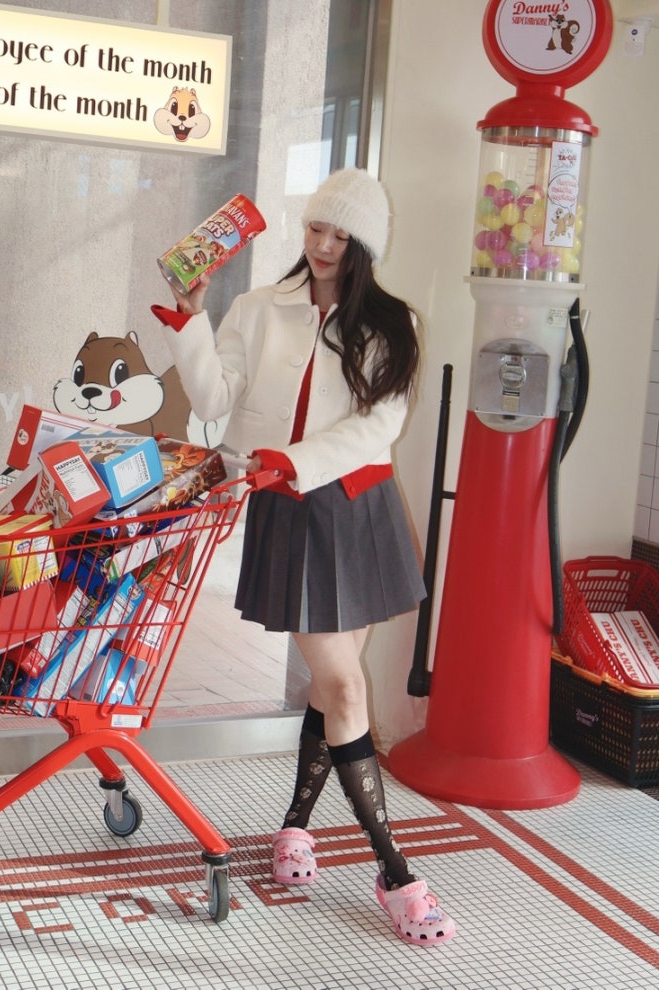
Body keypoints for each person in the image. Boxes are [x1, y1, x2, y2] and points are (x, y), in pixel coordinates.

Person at [151, 167, 456, 947]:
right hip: (290, 510)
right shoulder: (258, 308)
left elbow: (377, 426)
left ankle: (294, 826)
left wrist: (293, 458)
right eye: (317, 227)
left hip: (360, 508)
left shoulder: (393, 324)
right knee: (345, 685)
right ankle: (394, 872)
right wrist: (190, 317)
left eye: (340, 235)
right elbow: (214, 402)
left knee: (331, 687)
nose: (322, 245)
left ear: (365, 245)